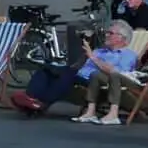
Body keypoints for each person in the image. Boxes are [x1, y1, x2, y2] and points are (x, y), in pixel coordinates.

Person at [11, 21, 141, 122]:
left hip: (96, 81)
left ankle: (40, 103)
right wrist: (84, 56)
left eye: (110, 33)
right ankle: (30, 98)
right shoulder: (99, 50)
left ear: (122, 38)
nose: (106, 35)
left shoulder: (128, 55)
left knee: (68, 74)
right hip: (77, 74)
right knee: (47, 69)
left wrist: (92, 57)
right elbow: (78, 65)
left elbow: (117, 73)